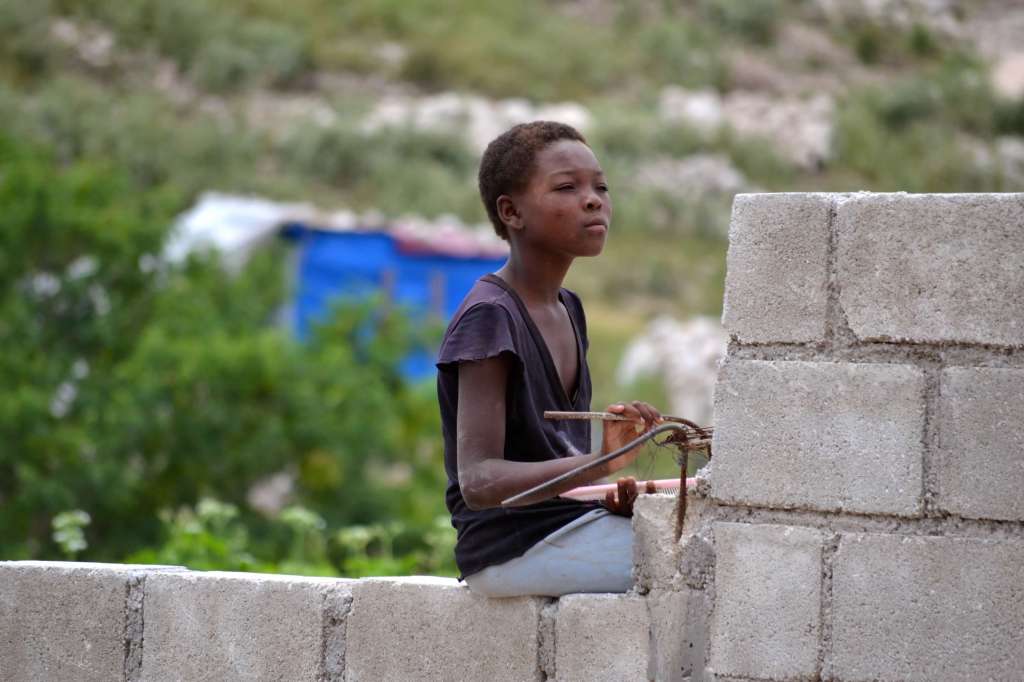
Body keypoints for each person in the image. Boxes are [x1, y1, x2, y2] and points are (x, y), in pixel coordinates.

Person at [436, 121, 662, 598]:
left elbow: (557, 464)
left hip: (563, 526)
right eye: (567, 187)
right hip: (510, 548)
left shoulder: (568, 308)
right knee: (698, 562)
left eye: (600, 186)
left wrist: (602, 490)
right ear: (511, 211)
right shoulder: (490, 317)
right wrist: (597, 464)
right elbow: (478, 481)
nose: (593, 199)